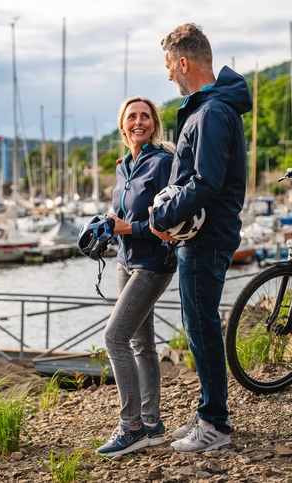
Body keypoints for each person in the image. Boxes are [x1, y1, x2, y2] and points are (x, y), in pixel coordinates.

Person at [149, 23, 252, 453]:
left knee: (201, 327)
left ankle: (215, 424)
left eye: (170, 66)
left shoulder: (210, 113)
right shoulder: (211, 108)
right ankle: (208, 409)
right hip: (207, 235)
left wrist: (163, 215)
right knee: (198, 325)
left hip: (207, 237)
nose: (169, 75)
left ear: (184, 62)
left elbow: (206, 182)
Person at [96, 96, 177, 458]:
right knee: (141, 343)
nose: (139, 121)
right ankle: (152, 425)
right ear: (123, 126)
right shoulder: (122, 166)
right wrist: (106, 228)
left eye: (145, 116)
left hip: (153, 263)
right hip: (124, 262)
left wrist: (133, 228)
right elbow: (121, 215)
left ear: (154, 124)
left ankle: (130, 428)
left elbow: (171, 220)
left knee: (114, 338)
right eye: (132, 117)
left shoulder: (163, 163)